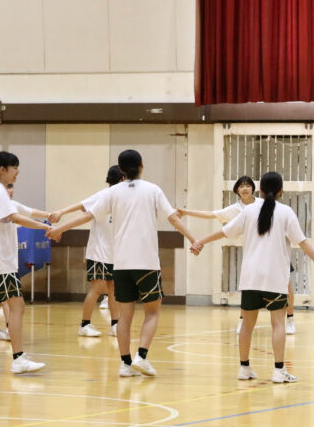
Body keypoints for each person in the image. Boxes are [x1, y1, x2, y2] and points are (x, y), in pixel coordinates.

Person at [48, 150, 200, 378]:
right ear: (141, 165)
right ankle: (142, 356)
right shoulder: (153, 190)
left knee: (124, 316)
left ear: (120, 170)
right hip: (147, 263)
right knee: (152, 313)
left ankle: (125, 364)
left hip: (120, 264)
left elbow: (88, 215)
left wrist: (60, 228)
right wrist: (194, 239)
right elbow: (173, 218)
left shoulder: (112, 192)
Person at [190, 172, 314, 384]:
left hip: (250, 278)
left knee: (247, 324)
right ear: (281, 191)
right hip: (275, 278)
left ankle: (244, 368)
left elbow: (224, 232)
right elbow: (302, 242)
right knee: (278, 324)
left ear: (259, 190)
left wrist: (200, 242)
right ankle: (279, 371)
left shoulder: (249, 211)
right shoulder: (286, 212)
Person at [179, 176, 297, 335]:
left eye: (248, 185)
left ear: (255, 189)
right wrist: (185, 212)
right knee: (248, 289)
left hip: (276, 253)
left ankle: (290, 319)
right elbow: (211, 215)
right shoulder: (234, 210)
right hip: (254, 255)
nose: (245, 188)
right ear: (237, 190)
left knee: (286, 285)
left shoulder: (264, 203)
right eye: (241, 186)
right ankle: (243, 320)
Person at [0, 152, 51, 374]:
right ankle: (18, 358)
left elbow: (21, 212)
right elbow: (15, 217)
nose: (17, 172)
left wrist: (47, 218)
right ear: (2, 169)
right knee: (17, 306)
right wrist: (45, 227)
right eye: (14, 167)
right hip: (0, 264)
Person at [49, 165, 125, 337]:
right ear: (121, 179)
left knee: (113, 289)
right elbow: (82, 206)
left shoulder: (121, 198)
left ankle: (115, 324)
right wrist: (61, 213)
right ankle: (85, 324)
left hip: (114, 253)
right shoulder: (104, 195)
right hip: (99, 252)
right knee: (98, 288)